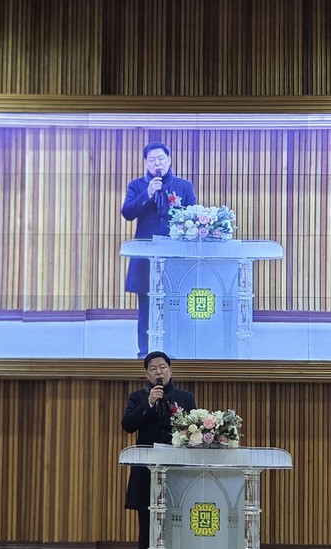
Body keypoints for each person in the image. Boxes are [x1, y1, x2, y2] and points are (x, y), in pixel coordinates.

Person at [121, 141, 196, 358]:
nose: (157, 163)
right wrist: (147, 193)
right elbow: (127, 213)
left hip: (175, 257)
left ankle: (174, 351)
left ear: (169, 160)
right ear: (146, 163)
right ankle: (144, 353)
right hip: (146, 257)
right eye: (152, 160)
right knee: (146, 307)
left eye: (161, 159)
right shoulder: (137, 186)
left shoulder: (184, 186)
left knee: (175, 305)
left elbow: (193, 215)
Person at [122, 351, 196, 549]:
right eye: (153, 369)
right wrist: (149, 403)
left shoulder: (185, 398)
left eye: (162, 367)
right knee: (147, 527)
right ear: (147, 375)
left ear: (170, 370)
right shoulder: (138, 397)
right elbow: (128, 425)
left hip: (177, 471)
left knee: (178, 522)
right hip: (147, 472)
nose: (158, 372)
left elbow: (192, 432)